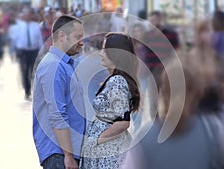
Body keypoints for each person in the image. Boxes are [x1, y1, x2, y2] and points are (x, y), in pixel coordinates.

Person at [32, 15, 86, 169]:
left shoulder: (65, 64)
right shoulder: (53, 66)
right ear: (62, 36)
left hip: (65, 152)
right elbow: (57, 114)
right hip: (59, 154)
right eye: (77, 37)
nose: (81, 42)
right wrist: (68, 155)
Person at [81, 32, 140, 169]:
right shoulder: (115, 79)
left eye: (104, 49)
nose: (100, 53)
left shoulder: (117, 81)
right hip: (106, 150)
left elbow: (123, 122)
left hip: (108, 153)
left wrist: (96, 140)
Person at [15, 8, 43, 99]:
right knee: (24, 70)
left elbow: (39, 38)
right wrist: (16, 51)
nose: (27, 17)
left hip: (33, 51)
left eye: (29, 15)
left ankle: (33, 89)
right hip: (23, 51)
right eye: (26, 15)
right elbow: (16, 38)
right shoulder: (19, 26)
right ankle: (27, 91)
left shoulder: (35, 26)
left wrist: (41, 50)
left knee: (33, 71)